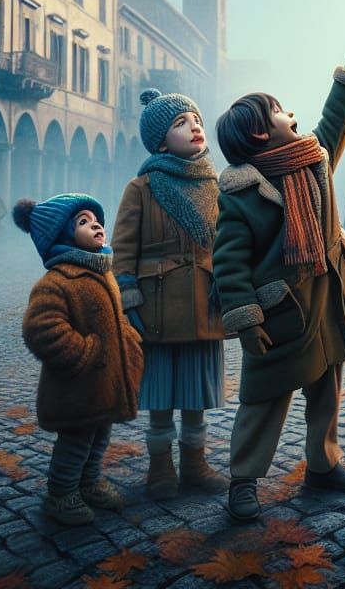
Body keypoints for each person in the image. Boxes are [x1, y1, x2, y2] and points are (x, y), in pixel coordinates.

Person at [212, 19, 345, 522]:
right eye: (282, 110)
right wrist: (246, 319)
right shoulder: (242, 193)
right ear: (263, 131)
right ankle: (244, 480)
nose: (293, 114)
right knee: (264, 397)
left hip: (328, 299)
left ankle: (323, 465)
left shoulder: (312, 161)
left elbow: (335, 121)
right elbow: (229, 262)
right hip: (284, 309)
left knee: (327, 384)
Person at [113, 88, 228, 500]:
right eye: (181, 123)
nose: (194, 127)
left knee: (195, 392)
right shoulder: (141, 187)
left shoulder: (217, 185)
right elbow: (123, 250)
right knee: (161, 393)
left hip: (205, 303)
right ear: (161, 140)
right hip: (157, 306)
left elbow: (229, 243)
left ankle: (196, 465)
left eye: (195, 119)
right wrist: (127, 296)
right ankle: (160, 467)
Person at [17, 194, 144, 526]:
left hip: (104, 383)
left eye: (95, 219)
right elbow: (41, 329)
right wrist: (83, 352)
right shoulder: (58, 281)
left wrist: (128, 341)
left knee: (99, 436)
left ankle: (88, 483)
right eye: (83, 222)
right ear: (62, 236)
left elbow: (114, 320)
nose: (96, 225)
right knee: (75, 441)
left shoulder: (101, 271)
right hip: (78, 383)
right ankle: (60, 494)